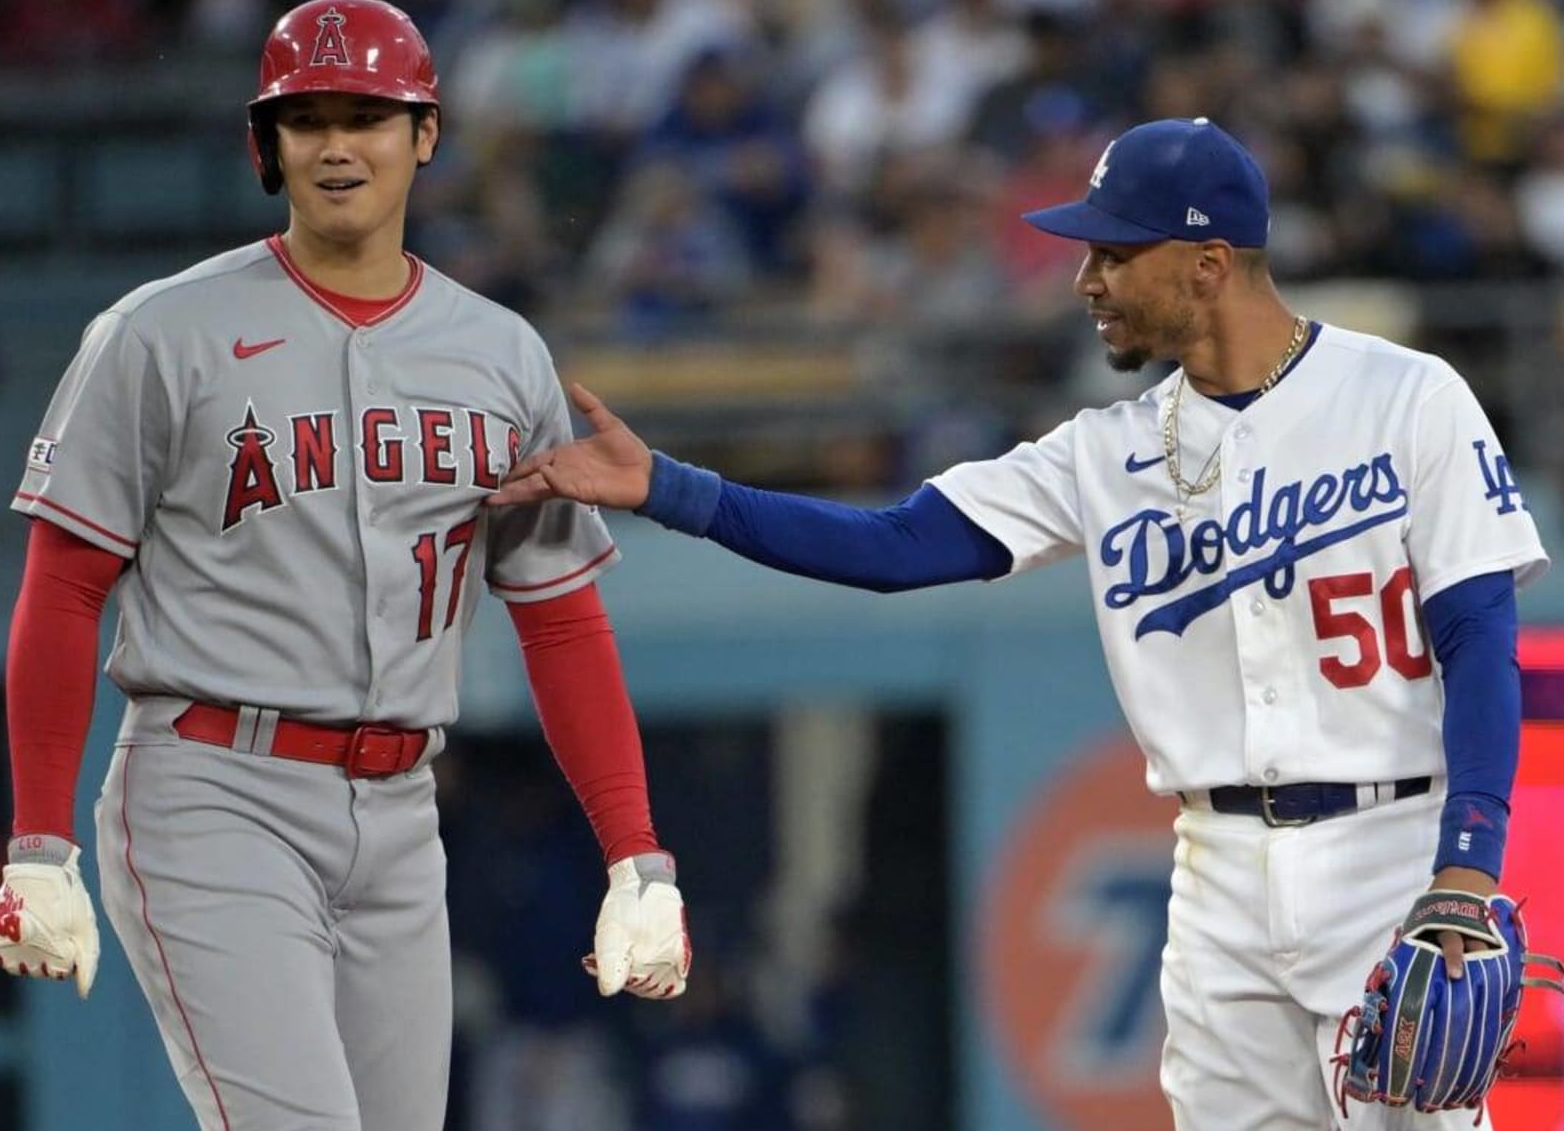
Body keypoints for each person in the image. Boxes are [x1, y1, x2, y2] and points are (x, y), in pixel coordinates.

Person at [488, 117, 1549, 1129]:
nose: (1083, 281)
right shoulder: (1104, 451)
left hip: (1388, 850)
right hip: (1215, 872)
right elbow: (892, 549)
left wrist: (1466, 865)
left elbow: (1477, 642)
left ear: (1207, 264)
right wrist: (670, 487)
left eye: (1111, 255)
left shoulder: (1407, 396)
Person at [0, 0, 690, 1131]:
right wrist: (39, 844)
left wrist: (635, 855)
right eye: (307, 121)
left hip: (402, 809)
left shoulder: (501, 352)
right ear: (269, 144)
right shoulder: (160, 332)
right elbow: (63, 586)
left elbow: (559, 619)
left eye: (368, 115)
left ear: (426, 135)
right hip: (214, 791)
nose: (337, 146)